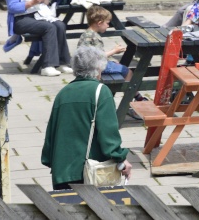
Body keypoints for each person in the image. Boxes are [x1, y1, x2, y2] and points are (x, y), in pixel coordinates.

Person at [41, 46, 132, 189]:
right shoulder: (101, 92)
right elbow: (108, 133)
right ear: (99, 68)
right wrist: (120, 158)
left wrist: (49, 159)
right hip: (89, 173)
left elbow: (51, 133)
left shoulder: (63, 93)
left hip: (61, 173)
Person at [7, 0, 72, 77]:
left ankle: (62, 62)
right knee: (49, 27)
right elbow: (12, 7)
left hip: (37, 15)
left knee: (60, 25)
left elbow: (43, 4)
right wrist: (32, 2)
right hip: (20, 19)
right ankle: (47, 66)